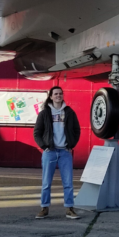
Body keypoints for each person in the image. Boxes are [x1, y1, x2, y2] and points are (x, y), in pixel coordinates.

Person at [33, 85, 80, 219]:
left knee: (68, 183)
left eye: (60, 94)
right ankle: (44, 208)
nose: (58, 96)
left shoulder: (69, 112)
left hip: (65, 152)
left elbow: (77, 130)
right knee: (46, 183)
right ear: (51, 96)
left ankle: (69, 208)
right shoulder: (44, 113)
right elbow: (37, 133)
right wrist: (44, 146)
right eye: (56, 94)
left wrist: (71, 144)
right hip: (50, 152)